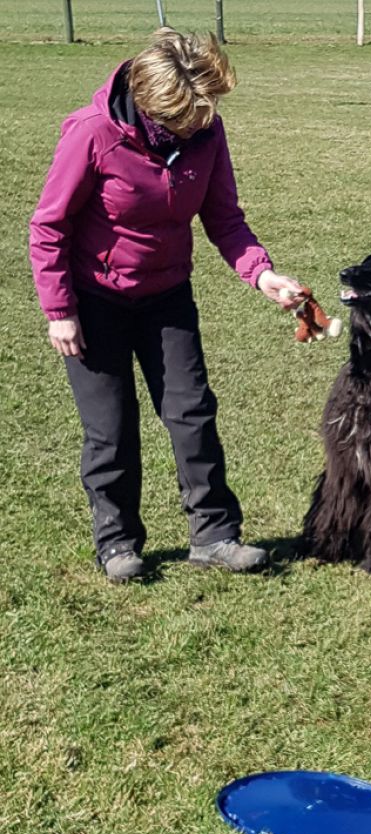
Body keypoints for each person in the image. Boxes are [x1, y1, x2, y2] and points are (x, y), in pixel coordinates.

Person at [30, 28, 306, 583]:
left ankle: (215, 535)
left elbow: (224, 217)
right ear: (153, 104)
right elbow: (48, 226)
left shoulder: (205, 131)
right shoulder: (92, 134)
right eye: (190, 117)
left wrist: (263, 274)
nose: (203, 123)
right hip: (95, 300)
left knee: (192, 413)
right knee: (111, 429)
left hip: (167, 297)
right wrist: (60, 310)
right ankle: (117, 543)